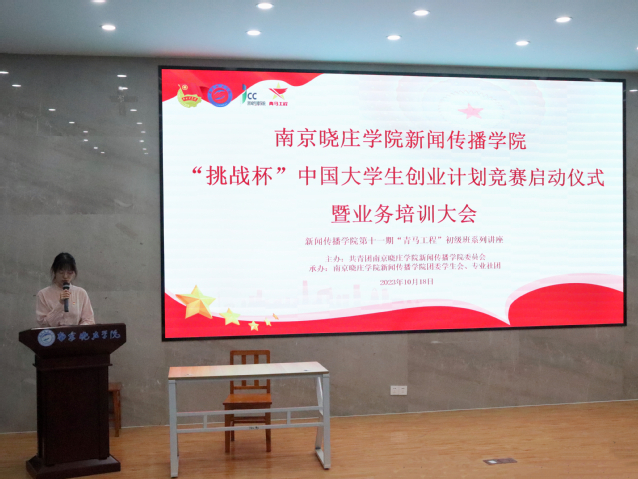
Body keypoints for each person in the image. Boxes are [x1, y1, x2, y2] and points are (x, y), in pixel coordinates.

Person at [36, 252, 95, 327]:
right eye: (61, 272)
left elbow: (89, 320)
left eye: (69, 272)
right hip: (52, 334)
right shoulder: (43, 294)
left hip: (75, 333)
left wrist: (76, 330)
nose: (65, 276)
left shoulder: (80, 293)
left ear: (74, 273)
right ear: (54, 271)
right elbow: (43, 323)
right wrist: (60, 305)